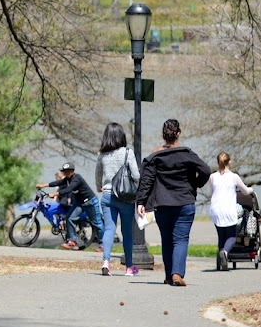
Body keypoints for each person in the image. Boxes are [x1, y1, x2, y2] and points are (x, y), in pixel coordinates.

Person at [135, 118, 211, 287]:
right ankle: (177, 274)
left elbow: (146, 180)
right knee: (181, 239)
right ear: (178, 134)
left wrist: (141, 201)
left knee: (167, 240)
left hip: (162, 205)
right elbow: (206, 170)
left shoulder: (156, 156)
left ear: (164, 135)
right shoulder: (187, 154)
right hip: (185, 203)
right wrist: (196, 184)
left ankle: (170, 276)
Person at [95, 122, 140, 277]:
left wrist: (99, 186)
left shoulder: (102, 154)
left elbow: (98, 174)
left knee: (109, 229)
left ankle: (106, 262)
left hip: (107, 196)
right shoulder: (127, 152)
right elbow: (136, 175)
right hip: (125, 197)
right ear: (121, 136)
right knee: (127, 232)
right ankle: (129, 268)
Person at [37, 162, 103, 250]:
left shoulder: (77, 178)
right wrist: (43, 185)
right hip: (80, 203)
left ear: (73, 171)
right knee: (70, 218)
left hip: (90, 202)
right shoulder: (67, 179)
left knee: (96, 223)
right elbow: (58, 182)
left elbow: (69, 189)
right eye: (65, 171)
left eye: (68, 171)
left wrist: (55, 193)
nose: (66, 173)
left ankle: (104, 244)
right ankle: (72, 241)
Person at [208, 152, 252, 271]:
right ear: (230, 162)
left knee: (221, 236)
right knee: (232, 236)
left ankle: (223, 262)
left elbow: (211, 195)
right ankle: (225, 252)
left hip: (216, 210)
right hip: (228, 209)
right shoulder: (234, 176)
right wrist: (251, 189)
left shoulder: (212, 177)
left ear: (218, 162)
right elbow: (245, 191)